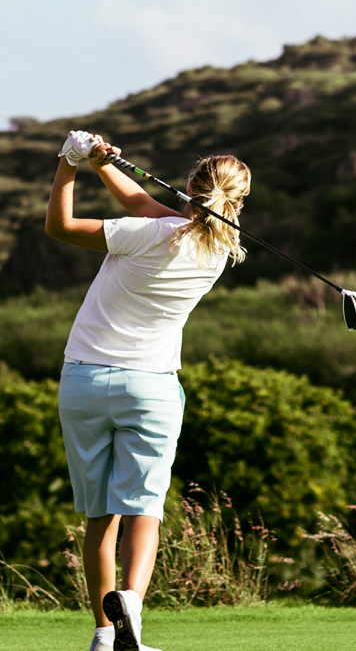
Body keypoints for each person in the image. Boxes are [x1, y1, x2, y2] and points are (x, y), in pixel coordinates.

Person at [45, 132, 250, 651]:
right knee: (143, 508)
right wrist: (100, 165)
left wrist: (68, 165)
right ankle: (131, 603)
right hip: (151, 389)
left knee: (100, 516)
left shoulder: (144, 233)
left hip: (85, 382)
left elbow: (60, 227)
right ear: (236, 202)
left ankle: (102, 635)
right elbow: (144, 204)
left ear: (188, 189)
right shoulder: (217, 255)